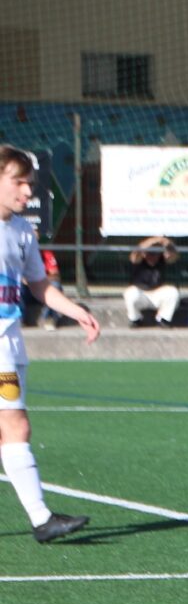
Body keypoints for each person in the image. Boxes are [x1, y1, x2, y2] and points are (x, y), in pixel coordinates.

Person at [0, 145, 100, 542]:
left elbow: (38, 284)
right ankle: (42, 519)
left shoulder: (23, 231)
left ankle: (43, 519)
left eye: (30, 183)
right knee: (15, 426)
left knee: (10, 429)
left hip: (8, 340)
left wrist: (75, 310)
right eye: (18, 181)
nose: (27, 191)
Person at [124, 236, 180, 328]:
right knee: (130, 293)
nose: (153, 256)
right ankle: (135, 319)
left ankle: (163, 318)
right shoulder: (138, 259)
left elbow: (174, 254)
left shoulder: (162, 260)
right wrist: (156, 239)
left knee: (173, 292)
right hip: (141, 294)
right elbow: (136, 254)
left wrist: (165, 241)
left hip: (157, 294)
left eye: (156, 254)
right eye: (150, 253)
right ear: (144, 253)